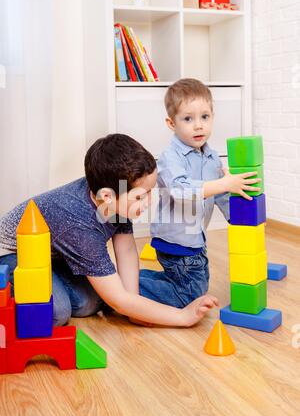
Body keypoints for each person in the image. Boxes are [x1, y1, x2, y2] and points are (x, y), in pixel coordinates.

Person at [0, 133, 218, 327]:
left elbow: (126, 251)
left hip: (53, 258)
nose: (149, 202)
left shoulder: (116, 196)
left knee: (92, 301)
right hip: (14, 257)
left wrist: (133, 305)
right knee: (58, 312)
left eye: (150, 192)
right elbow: (119, 302)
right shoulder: (79, 223)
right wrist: (182, 317)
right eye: (141, 197)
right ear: (107, 196)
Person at [139, 78, 261, 308]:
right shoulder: (170, 157)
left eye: (205, 117)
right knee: (191, 295)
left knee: (192, 283)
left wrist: (241, 219)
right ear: (171, 123)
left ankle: (132, 280)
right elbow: (181, 190)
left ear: (212, 117)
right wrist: (225, 184)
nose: (198, 125)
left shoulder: (212, 156)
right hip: (176, 240)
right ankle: (127, 290)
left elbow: (222, 194)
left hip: (196, 239)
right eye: (188, 118)